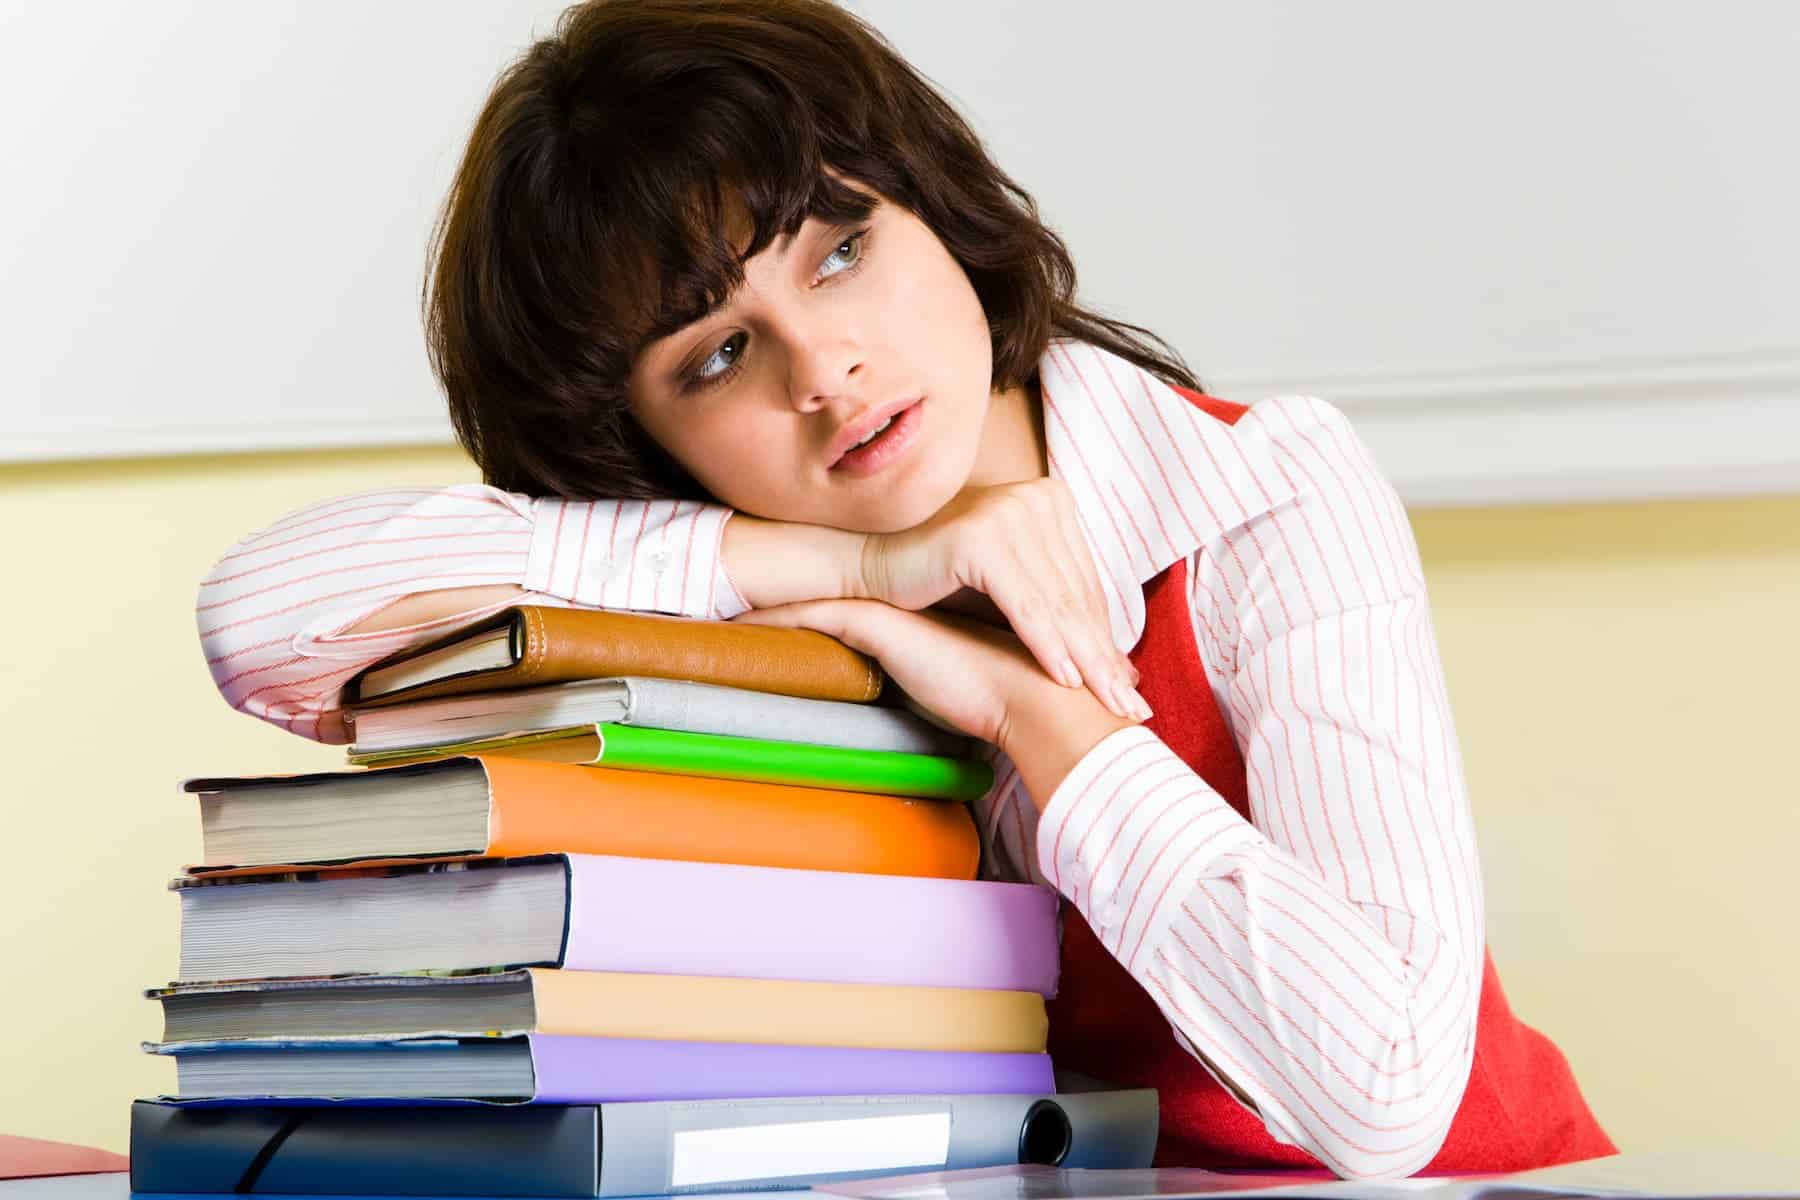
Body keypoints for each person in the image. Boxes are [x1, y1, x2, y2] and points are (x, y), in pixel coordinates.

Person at [195, 0, 1615, 1179]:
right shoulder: (753, 588)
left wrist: (1033, 712)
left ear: (938, 209)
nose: (821, 370)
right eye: (713, 358)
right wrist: (848, 566)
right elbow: (264, 620)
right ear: (641, 443)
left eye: (842, 252)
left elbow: (1386, 1097)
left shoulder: (1255, 491)